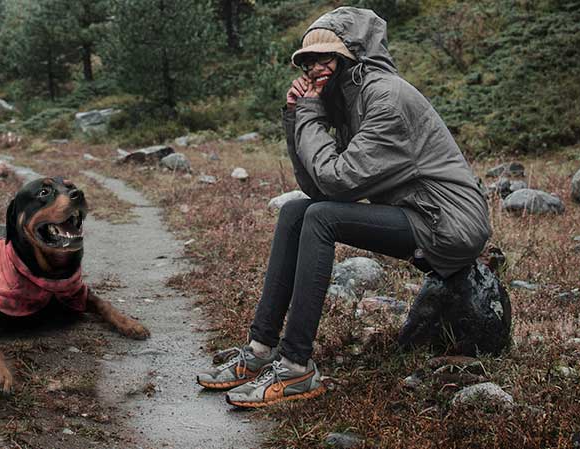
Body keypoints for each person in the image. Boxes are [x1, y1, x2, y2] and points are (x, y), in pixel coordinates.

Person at [196, 7, 491, 408]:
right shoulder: (350, 99)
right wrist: (295, 117)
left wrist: (311, 115)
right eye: (308, 61)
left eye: (325, 58)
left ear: (355, 57)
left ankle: (296, 366)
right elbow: (314, 185)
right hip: (415, 211)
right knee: (296, 211)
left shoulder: (387, 98)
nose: (315, 69)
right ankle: (260, 350)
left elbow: (337, 183)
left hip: (448, 222)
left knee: (320, 217)